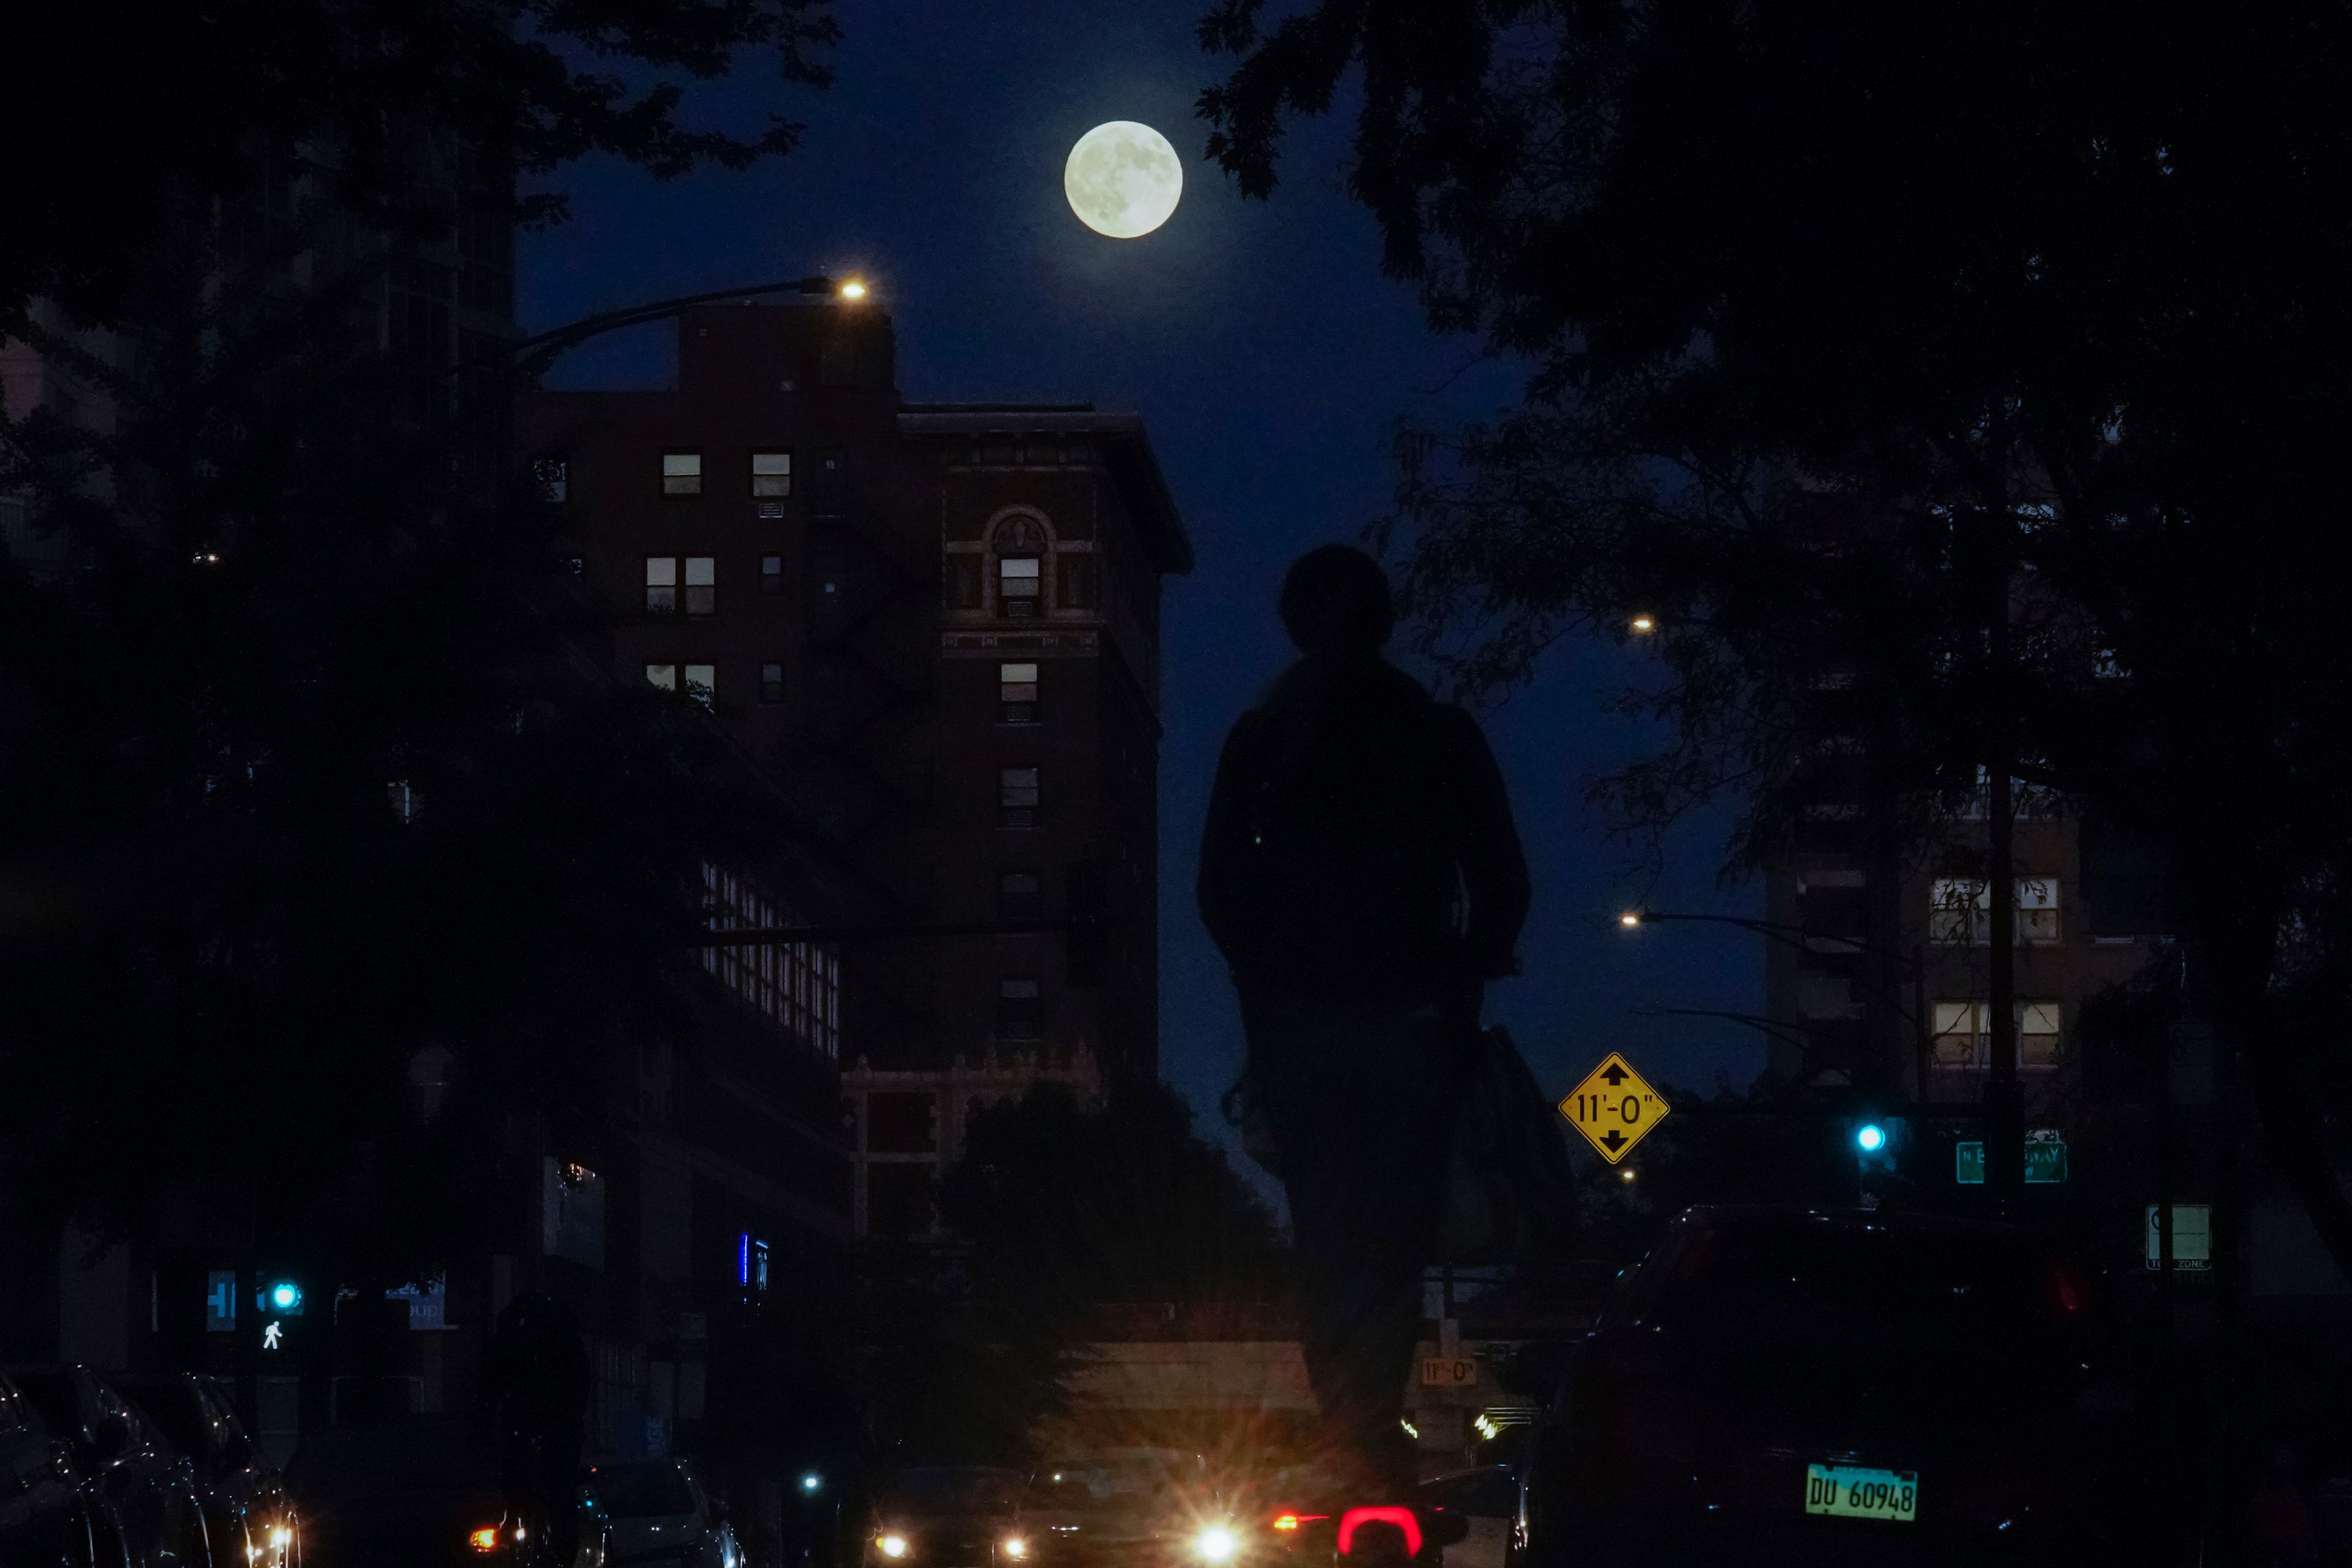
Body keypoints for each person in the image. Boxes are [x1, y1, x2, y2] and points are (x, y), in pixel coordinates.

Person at [1199, 545, 1529, 1499]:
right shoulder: (1436, 732)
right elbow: (1502, 879)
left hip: (1304, 1033)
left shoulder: (1263, 739)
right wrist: (1465, 981)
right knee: (1392, 1232)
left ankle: (1349, 1429)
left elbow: (1218, 892)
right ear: (1384, 622)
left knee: (1331, 1232)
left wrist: (1267, 994)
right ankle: (1368, 1433)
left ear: (1297, 626)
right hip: (1411, 1024)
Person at [478, 1292, 592, 1563]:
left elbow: (577, 1389)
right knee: (547, 1487)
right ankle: (526, 1529)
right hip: (537, 1423)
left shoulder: (559, 1343)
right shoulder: (554, 1341)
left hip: (550, 1424)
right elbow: (490, 1385)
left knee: (556, 1490)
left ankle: (559, 1547)